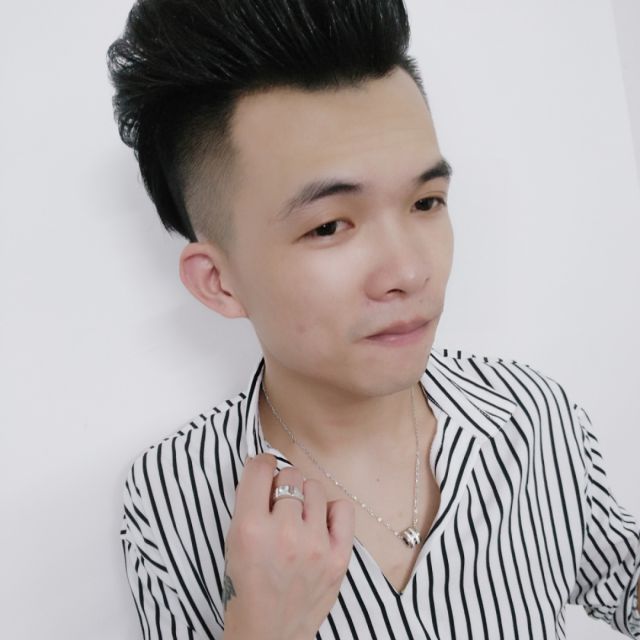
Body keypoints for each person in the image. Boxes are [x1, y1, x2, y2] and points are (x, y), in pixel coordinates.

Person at [107, 1, 640, 638]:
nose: (410, 271)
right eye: (330, 225)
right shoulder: (170, 496)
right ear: (219, 283)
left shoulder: (530, 414)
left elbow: (621, 577)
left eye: (426, 202)